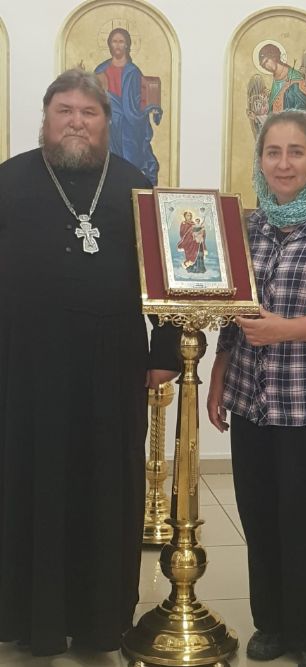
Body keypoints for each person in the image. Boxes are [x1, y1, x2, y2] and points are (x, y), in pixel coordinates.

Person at [0, 69, 181, 657]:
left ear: (107, 122)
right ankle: (26, 617)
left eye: (89, 112)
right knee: (28, 481)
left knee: (107, 487)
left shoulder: (134, 185)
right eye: (65, 111)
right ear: (45, 118)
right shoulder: (9, 181)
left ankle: (101, 622)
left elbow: (168, 274)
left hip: (111, 366)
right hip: (25, 367)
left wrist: (164, 350)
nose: (76, 122)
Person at [207, 110, 306, 667]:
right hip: (251, 397)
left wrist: (287, 330)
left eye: (295, 151)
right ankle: (272, 624)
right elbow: (234, 304)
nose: (283, 163)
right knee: (259, 515)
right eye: (272, 152)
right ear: (260, 160)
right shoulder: (249, 225)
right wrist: (220, 370)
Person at [95, 28, 162, 184]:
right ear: (109, 44)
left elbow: (140, 98)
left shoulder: (133, 72)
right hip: (109, 123)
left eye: (121, 42)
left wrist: (150, 107)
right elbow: (94, 97)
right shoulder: (100, 70)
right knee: (109, 161)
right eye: (114, 41)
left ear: (127, 45)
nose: (118, 45)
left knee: (131, 160)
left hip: (129, 124)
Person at [258, 43, 306, 113]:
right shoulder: (275, 81)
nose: (267, 66)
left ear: (273, 56)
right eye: (264, 65)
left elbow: (302, 110)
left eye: (267, 61)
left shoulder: (295, 79)